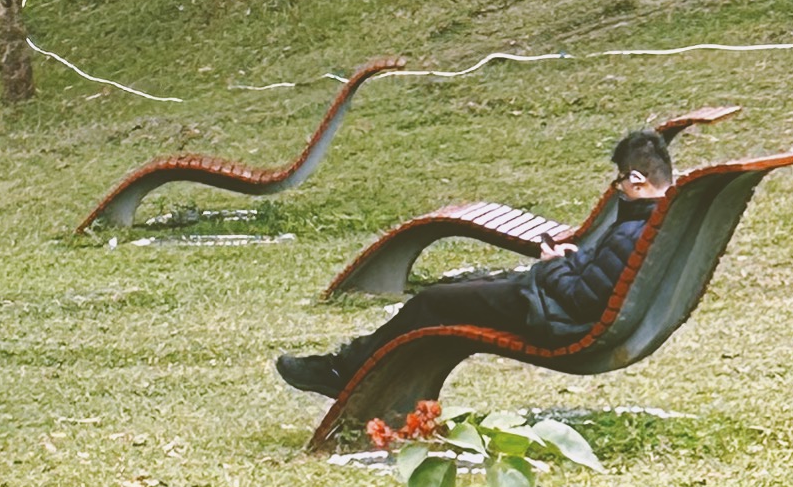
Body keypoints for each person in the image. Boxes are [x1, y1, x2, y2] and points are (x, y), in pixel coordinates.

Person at [271, 128, 681, 403]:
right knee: (460, 288)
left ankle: (342, 372)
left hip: (552, 316)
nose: (617, 191)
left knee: (432, 302)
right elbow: (596, 283)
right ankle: (347, 366)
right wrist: (571, 262)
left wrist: (554, 265)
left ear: (637, 180)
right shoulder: (653, 224)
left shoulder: (632, 231)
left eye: (619, 183)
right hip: (550, 304)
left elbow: (579, 299)